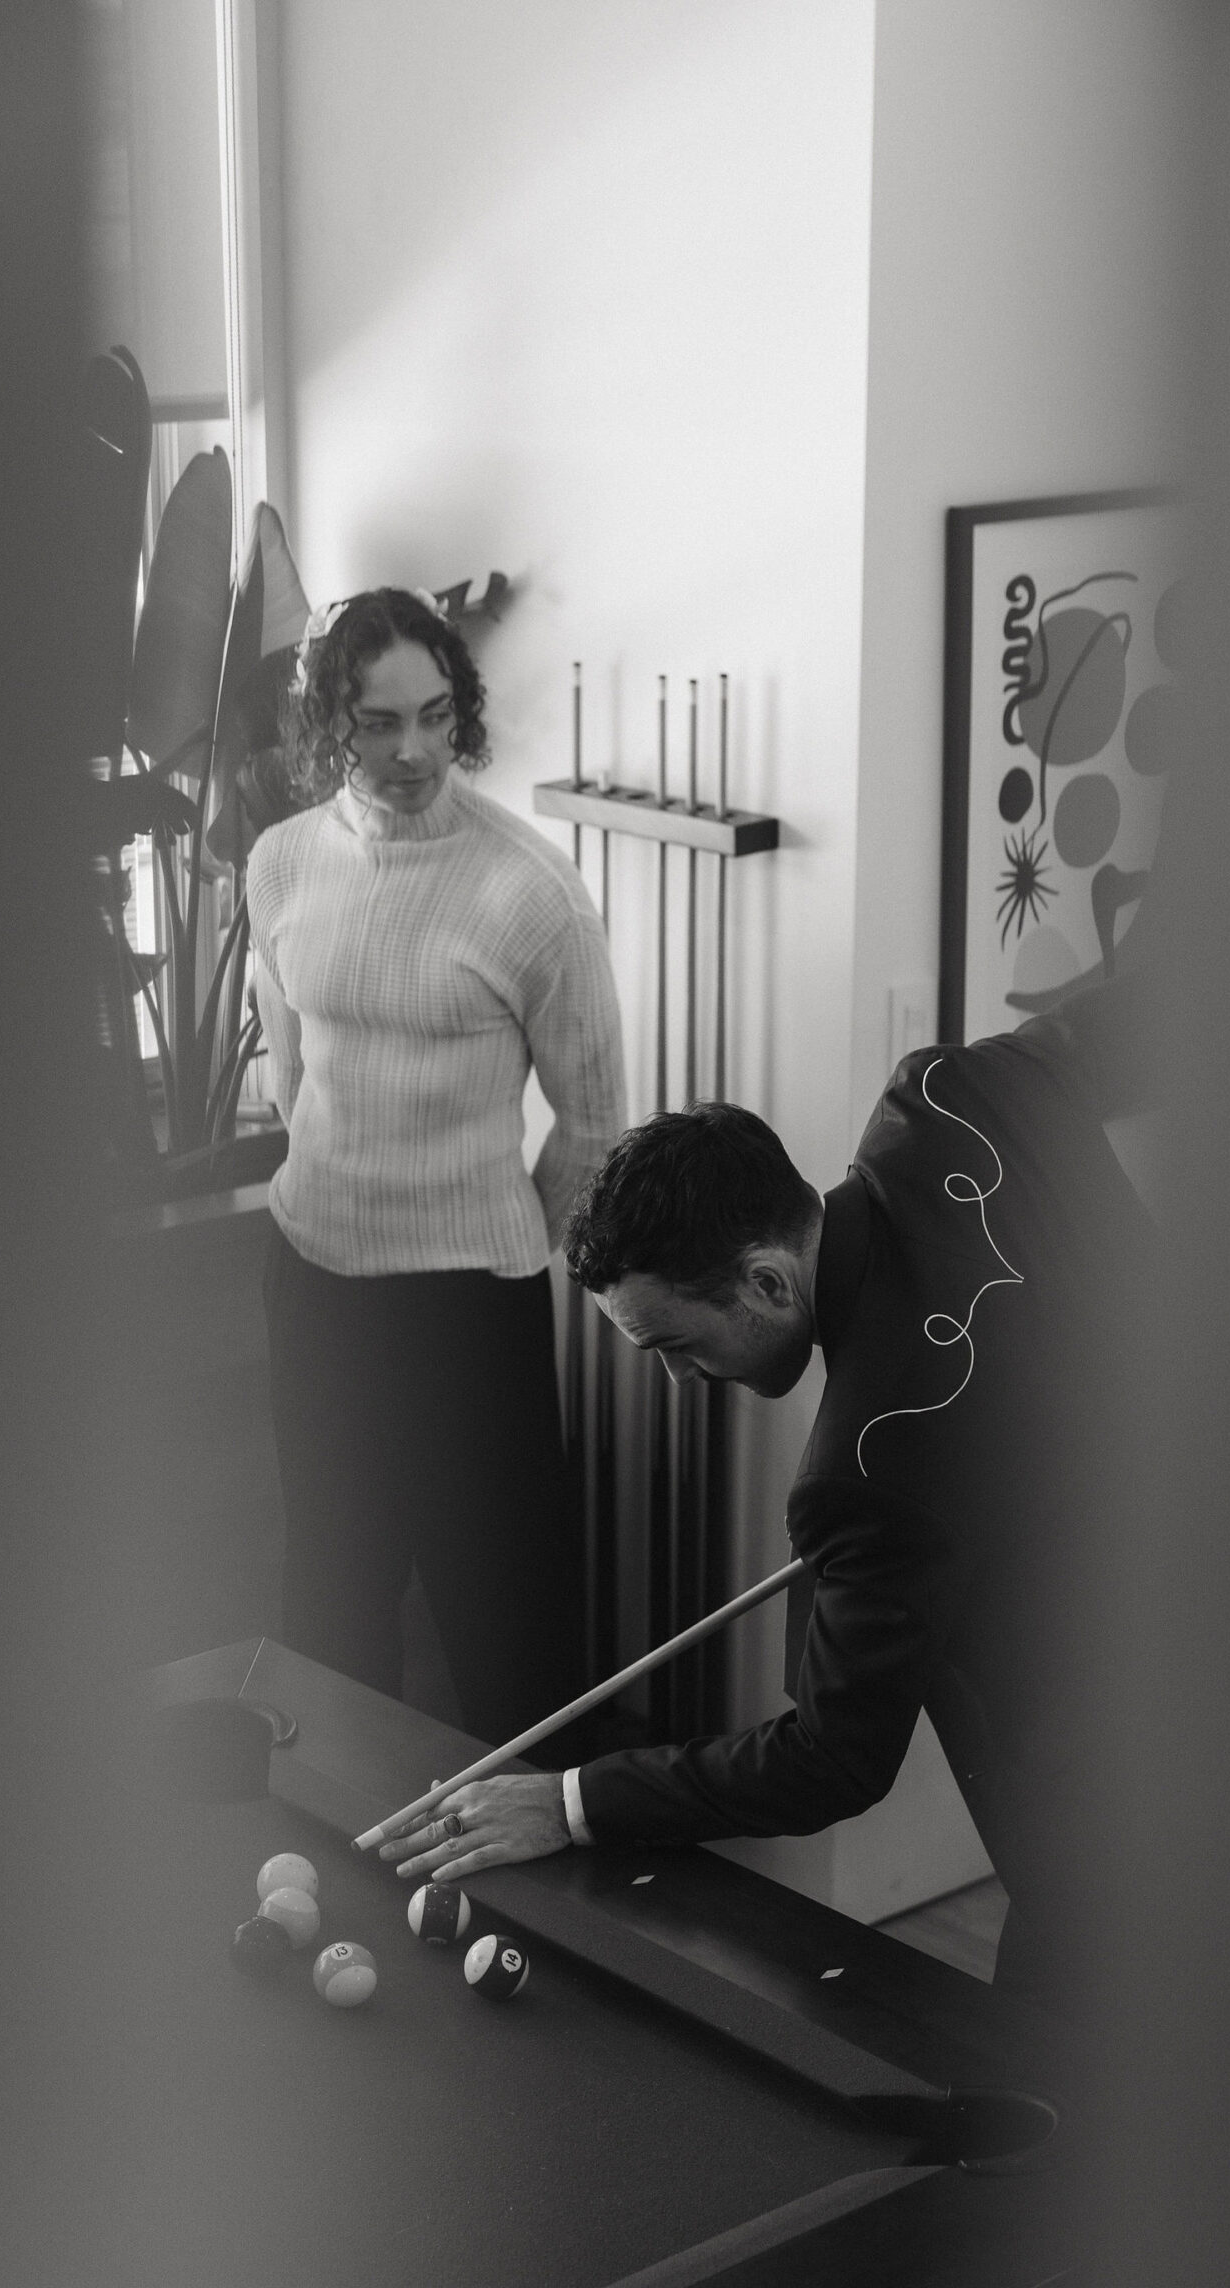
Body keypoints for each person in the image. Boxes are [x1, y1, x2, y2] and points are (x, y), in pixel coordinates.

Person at [380, 976, 1159, 2012]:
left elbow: (833, 1760)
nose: (678, 1379)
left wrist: (570, 1801)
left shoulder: (868, 1470)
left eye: (674, 1344)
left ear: (765, 1281)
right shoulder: (950, 1095)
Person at [247, 585, 626, 1742]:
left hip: (471, 1308)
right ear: (330, 724)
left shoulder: (533, 891)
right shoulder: (279, 864)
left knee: (508, 1629)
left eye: (434, 712)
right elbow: (290, 1069)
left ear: (461, 709)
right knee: (332, 1598)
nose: (413, 748)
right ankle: (335, 1843)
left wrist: (486, 1234)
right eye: (377, 720)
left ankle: (543, 1897)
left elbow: (594, 1126)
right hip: (315, 1278)